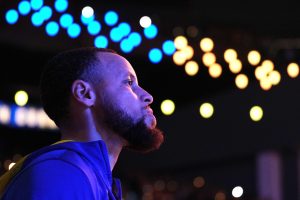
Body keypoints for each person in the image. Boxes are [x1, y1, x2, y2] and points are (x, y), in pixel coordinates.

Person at [0, 47, 164, 199]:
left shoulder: (86, 176)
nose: (148, 96)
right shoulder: (59, 174)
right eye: (129, 82)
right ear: (84, 93)